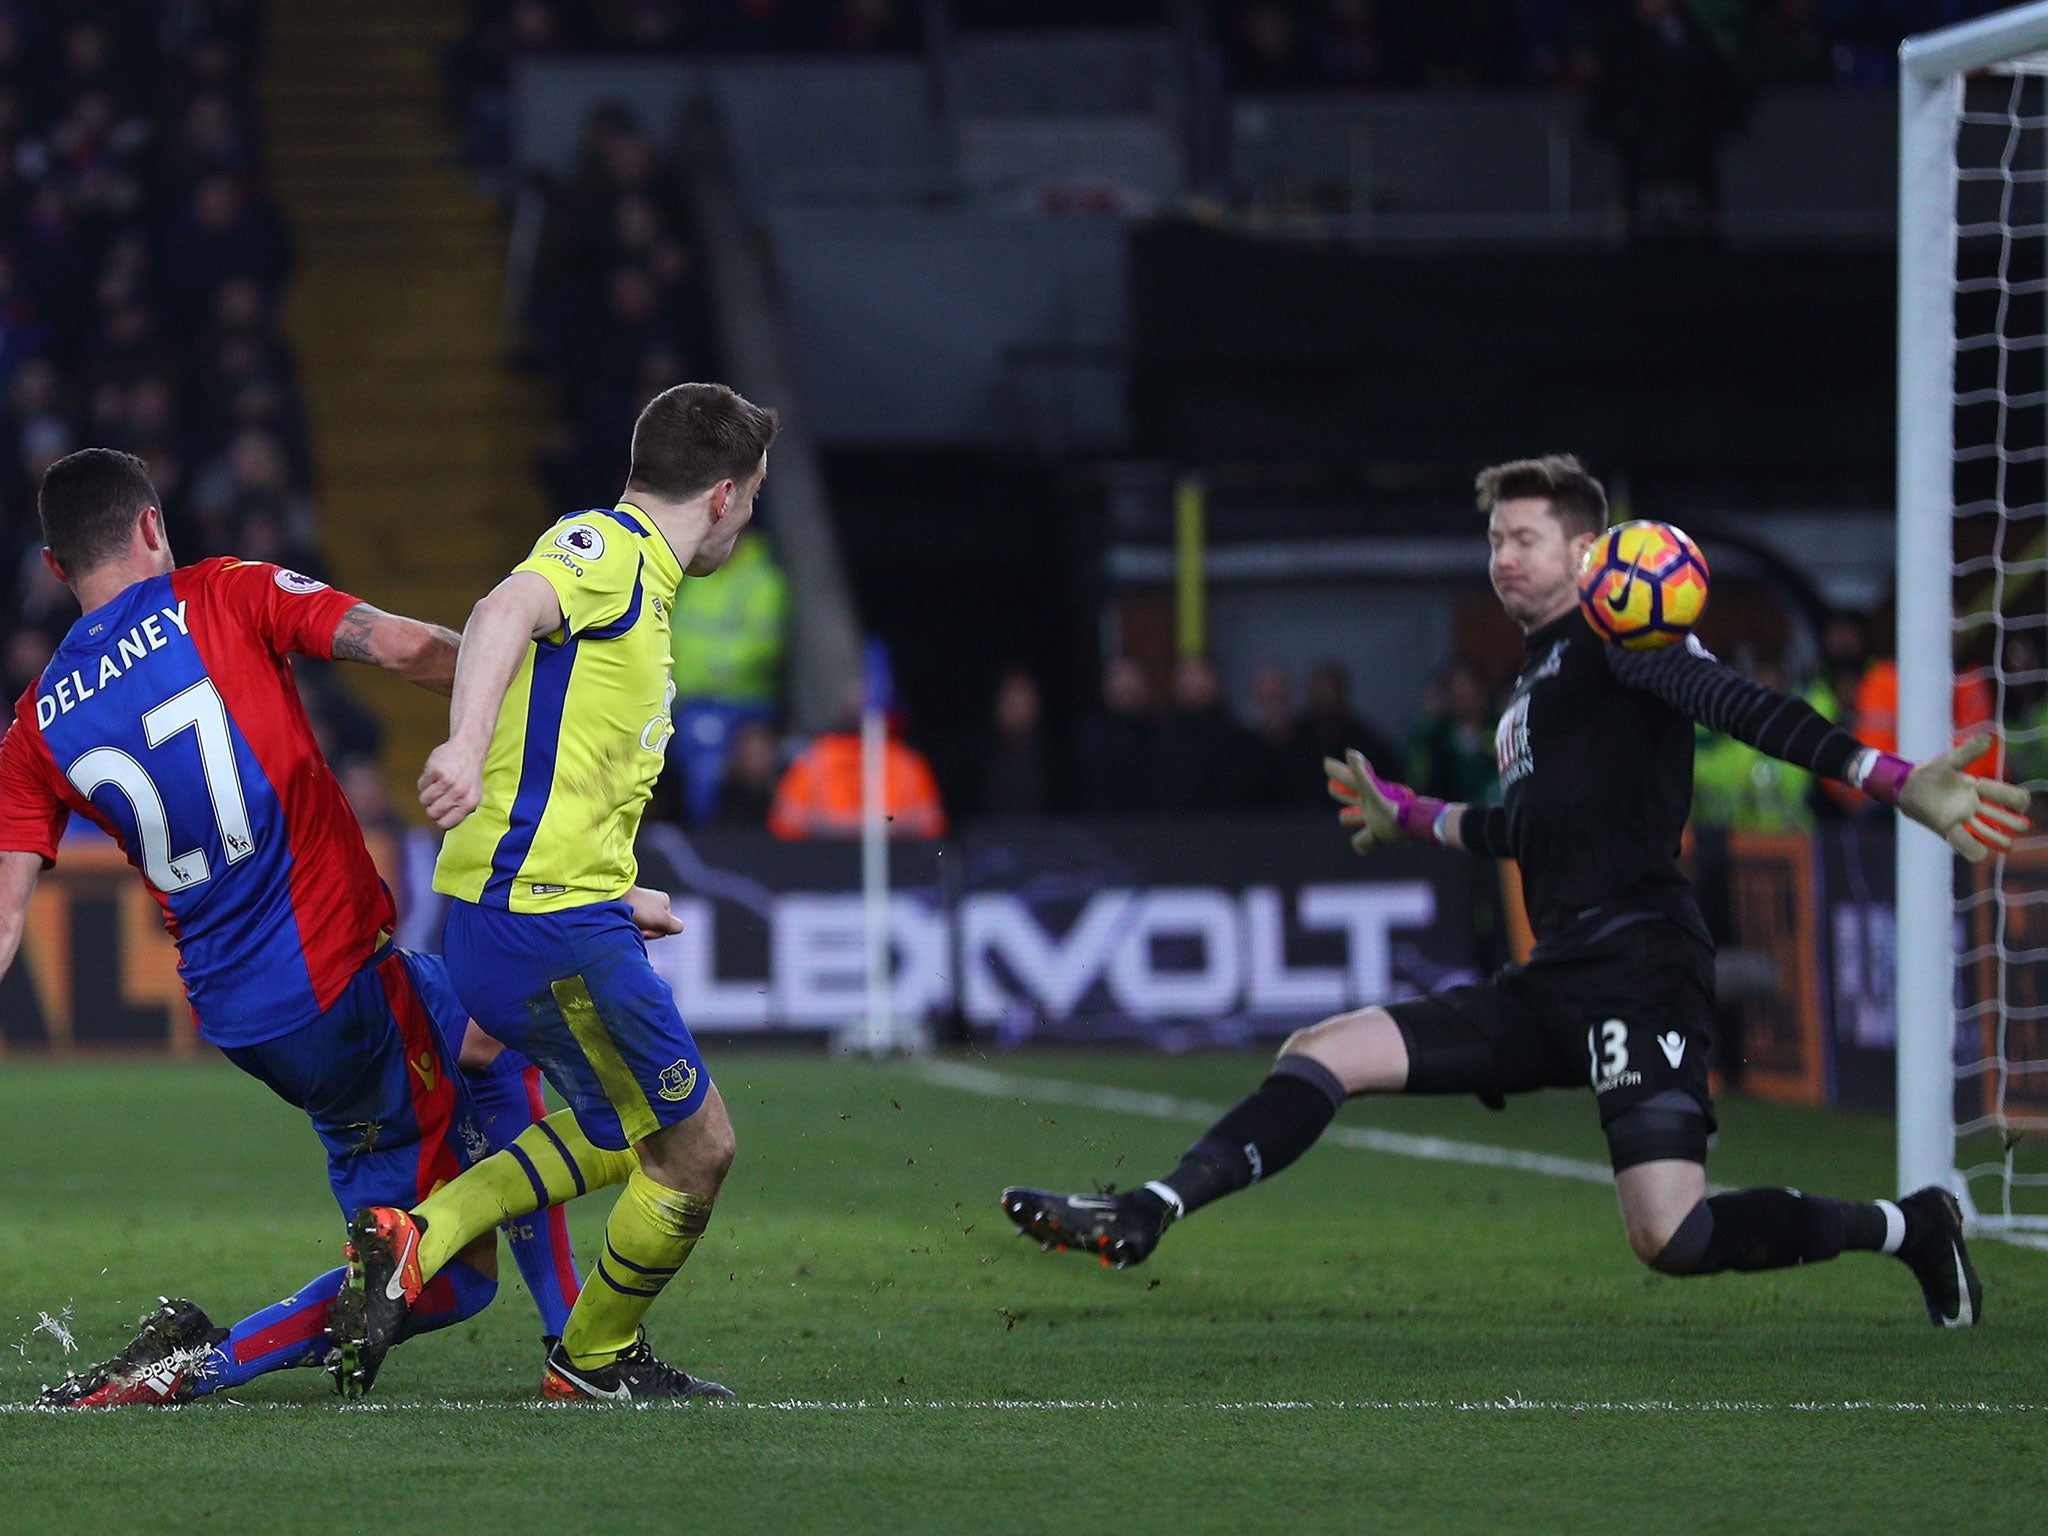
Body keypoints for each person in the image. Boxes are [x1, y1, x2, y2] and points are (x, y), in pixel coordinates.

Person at [1001, 453, 2028, 1328]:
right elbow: (1523, 829)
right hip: (1556, 972)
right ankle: (1146, 1207)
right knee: (1322, 1050)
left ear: (1588, 555)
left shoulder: (1625, 641)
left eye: (1524, 537)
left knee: (1671, 1236)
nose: (1501, 557)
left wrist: (1890, 779)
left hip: (1641, 963)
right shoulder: (1532, 690)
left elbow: (1731, 703)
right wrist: (1407, 813)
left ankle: (1909, 1226)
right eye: (1494, 538)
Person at [0, 449, 609, 1408]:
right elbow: (404, 647)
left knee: (490, 1039)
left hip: (250, 1022)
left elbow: (3, 922)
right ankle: (191, 1369)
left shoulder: (33, 729)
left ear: (54, 566)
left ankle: (577, 1348)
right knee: (448, 1276)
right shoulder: (223, 593)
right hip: (339, 979)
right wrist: (529, 707)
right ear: (154, 528)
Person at [340, 383, 781, 1404]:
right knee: (698, 1146)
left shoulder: (640, 588)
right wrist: (459, 739)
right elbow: (503, 610)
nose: (747, 518)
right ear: (721, 495)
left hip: (553, 916)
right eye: (752, 499)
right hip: (542, 930)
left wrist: (622, 895)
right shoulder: (606, 550)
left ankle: (426, 1233)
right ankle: (591, 1358)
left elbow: (563, 760)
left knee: (607, 1126)